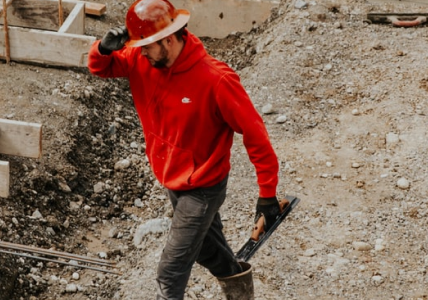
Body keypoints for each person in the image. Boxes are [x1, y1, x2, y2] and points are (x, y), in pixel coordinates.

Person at [86, 0, 285, 298]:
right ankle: (239, 289)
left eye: (145, 46)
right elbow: (101, 68)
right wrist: (102, 49)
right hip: (171, 177)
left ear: (167, 39)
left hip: (203, 185)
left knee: (171, 271)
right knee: (205, 247)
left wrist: (267, 195)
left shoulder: (217, 80)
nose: (138, 52)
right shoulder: (144, 58)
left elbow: (256, 136)